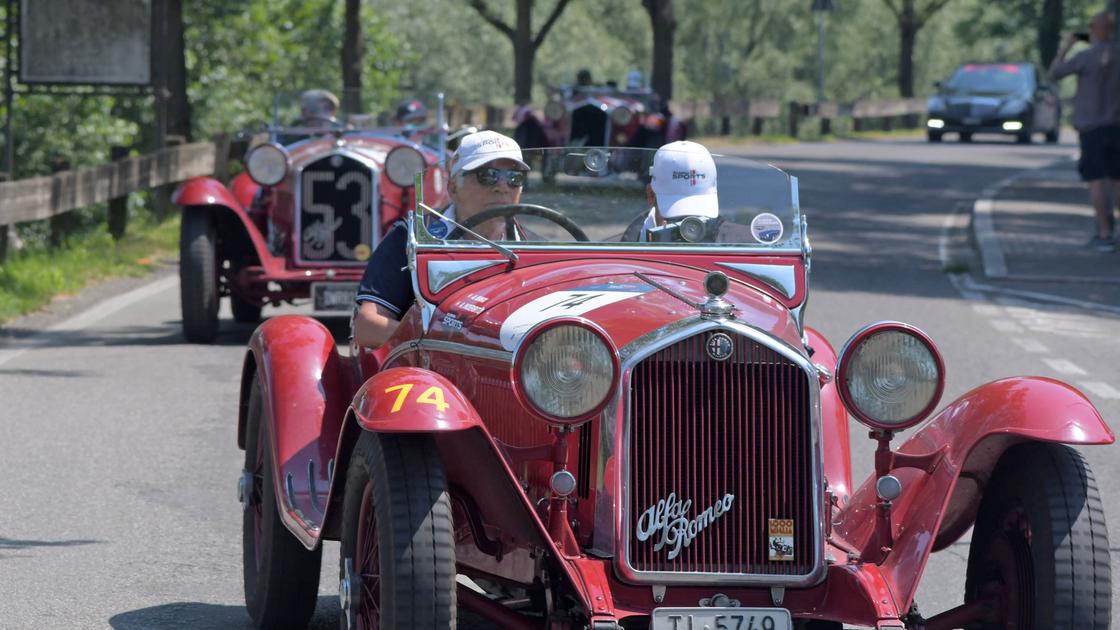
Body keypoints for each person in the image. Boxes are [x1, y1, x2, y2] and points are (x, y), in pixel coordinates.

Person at [352, 130, 530, 348]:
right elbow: (368, 326)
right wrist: (451, 344)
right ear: (453, 188)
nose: (502, 187)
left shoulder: (535, 247)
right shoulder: (412, 237)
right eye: (487, 175)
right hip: (430, 374)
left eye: (514, 178)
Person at [1049, 11, 1120, 252]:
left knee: (1096, 180)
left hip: (1092, 127)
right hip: (1117, 126)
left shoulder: (1085, 57)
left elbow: (1055, 73)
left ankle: (1104, 232)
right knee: (1117, 179)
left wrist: (1066, 47)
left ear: (1094, 30)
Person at [621, 140, 720, 243]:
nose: (687, 229)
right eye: (675, 218)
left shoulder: (732, 242)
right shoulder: (629, 244)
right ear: (651, 195)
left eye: (699, 217)